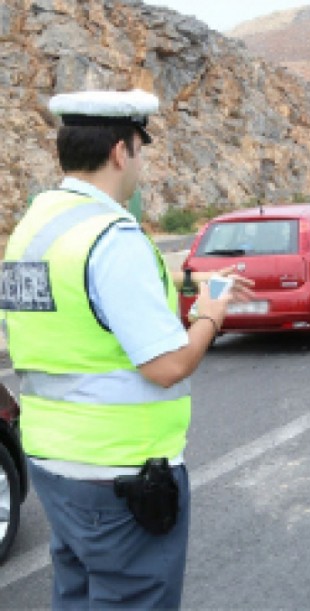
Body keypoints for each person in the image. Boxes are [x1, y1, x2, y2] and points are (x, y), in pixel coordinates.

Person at [0, 89, 252, 609]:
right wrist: (211, 311)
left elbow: (81, 305)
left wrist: (186, 275)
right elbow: (169, 365)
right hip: (120, 476)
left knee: (78, 597)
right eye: (141, 147)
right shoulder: (113, 237)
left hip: (54, 463)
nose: (142, 161)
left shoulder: (31, 230)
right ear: (121, 151)